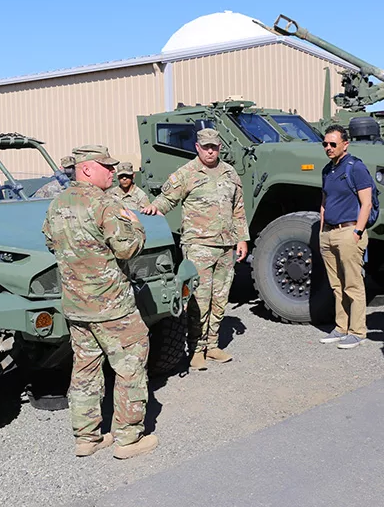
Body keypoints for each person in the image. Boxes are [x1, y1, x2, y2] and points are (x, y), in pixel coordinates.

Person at [42, 145, 157, 460]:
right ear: (87, 169)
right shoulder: (104, 204)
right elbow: (127, 248)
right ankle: (128, 439)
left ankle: (87, 438)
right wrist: (136, 224)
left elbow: (51, 242)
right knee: (131, 365)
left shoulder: (56, 204)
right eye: (106, 167)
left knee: (85, 369)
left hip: (77, 306)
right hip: (112, 307)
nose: (113, 171)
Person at [141, 128, 249, 370]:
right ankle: (196, 349)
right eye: (206, 147)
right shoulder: (187, 173)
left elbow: (238, 209)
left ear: (220, 147)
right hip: (199, 246)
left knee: (220, 299)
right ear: (197, 148)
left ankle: (212, 346)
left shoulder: (230, 173)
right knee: (199, 299)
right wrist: (153, 209)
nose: (210, 151)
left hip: (226, 246)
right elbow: (167, 199)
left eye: (214, 147)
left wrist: (242, 239)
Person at [317, 124, 374, 349]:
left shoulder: (356, 168)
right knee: (336, 285)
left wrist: (357, 232)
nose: (328, 148)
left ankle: (358, 331)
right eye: (325, 144)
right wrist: (322, 230)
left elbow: (366, 203)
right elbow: (324, 202)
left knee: (353, 284)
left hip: (349, 232)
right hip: (328, 233)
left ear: (345, 144)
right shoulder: (327, 170)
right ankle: (341, 328)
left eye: (333, 144)